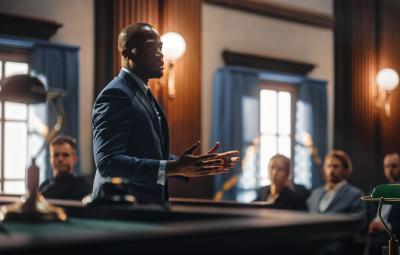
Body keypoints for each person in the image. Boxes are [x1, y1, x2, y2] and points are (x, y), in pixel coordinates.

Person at [92, 23, 239, 203]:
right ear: (127, 53)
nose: (161, 54)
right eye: (151, 48)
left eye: (160, 48)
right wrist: (172, 167)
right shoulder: (116, 94)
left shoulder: (143, 93)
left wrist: (194, 165)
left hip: (148, 207)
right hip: (121, 209)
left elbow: (148, 153)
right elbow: (108, 162)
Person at [307, 150, 366, 216]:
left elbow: (358, 222)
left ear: (345, 170)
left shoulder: (355, 194)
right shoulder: (315, 194)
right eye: (328, 166)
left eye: (336, 166)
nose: (331, 170)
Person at [39, 136, 91, 200]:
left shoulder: (81, 184)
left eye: (65, 155)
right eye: (56, 155)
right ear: (51, 159)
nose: (60, 159)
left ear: (74, 159)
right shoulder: (43, 186)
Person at [367, 153, 400, 255]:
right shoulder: (379, 189)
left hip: (393, 233)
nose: (390, 170)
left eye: (394, 166)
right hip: (374, 232)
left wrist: (387, 226)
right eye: (387, 166)